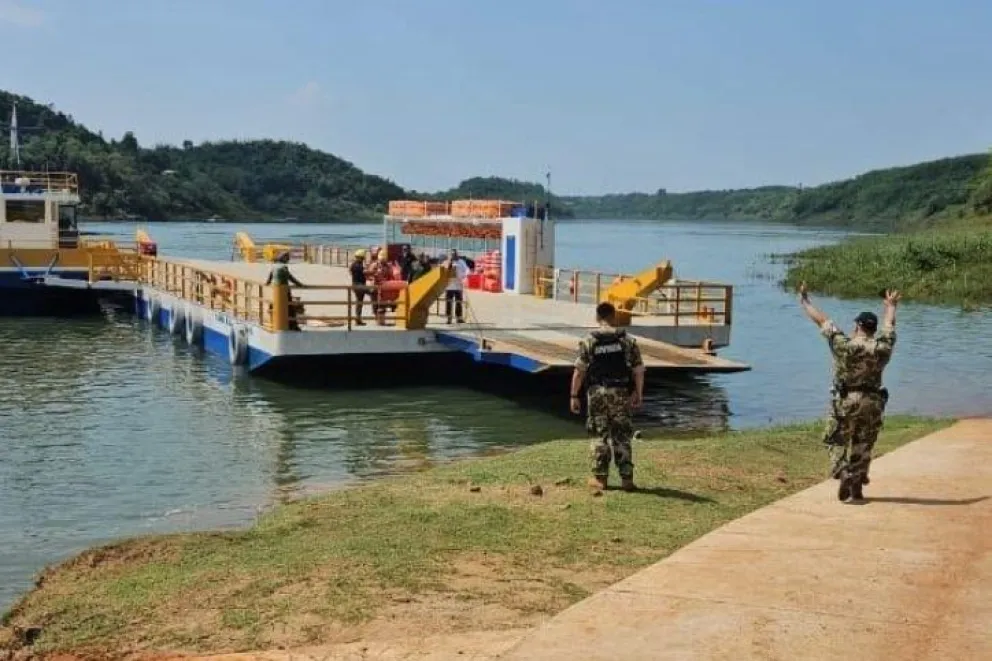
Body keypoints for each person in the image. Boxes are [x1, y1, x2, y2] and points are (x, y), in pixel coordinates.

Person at [798, 282, 900, 502]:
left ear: (857, 327)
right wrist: (891, 305)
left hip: (847, 399)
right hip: (873, 401)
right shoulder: (884, 348)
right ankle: (857, 485)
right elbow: (890, 325)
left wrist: (806, 301)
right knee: (864, 444)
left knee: (834, 440)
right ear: (873, 329)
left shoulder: (845, 346)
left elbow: (823, 321)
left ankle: (843, 472)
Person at [570, 301, 646, 492]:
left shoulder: (589, 341)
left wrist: (574, 395)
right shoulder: (627, 341)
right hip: (621, 393)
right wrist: (638, 392)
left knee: (599, 434)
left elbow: (579, 372)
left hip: (597, 393)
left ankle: (600, 479)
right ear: (614, 317)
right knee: (622, 435)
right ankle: (627, 479)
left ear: (597, 317)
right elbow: (638, 370)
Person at [264, 251, 304, 330]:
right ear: (284, 258)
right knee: (290, 308)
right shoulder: (283, 267)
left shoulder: (275, 266)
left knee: (279, 307)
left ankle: (279, 323)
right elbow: (290, 278)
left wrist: (267, 283)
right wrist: (300, 285)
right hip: (284, 289)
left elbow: (270, 277)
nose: (288, 260)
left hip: (276, 290)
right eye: (287, 258)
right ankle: (293, 326)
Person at [444, 248, 469, 324]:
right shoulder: (447, 262)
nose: (453, 256)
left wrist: (463, 277)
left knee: (458, 302)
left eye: (454, 254)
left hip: (458, 286)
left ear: (457, 254)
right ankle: (449, 318)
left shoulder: (461, 262)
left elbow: (467, 270)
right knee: (449, 302)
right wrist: (449, 264)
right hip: (449, 286)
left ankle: (459, 318)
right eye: (452, 254)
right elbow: (443, 271)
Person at [349, 249, 371, 326]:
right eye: (362, 258)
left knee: (359, 303)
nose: (363, 259)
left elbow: (352, 272)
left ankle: (358, 320)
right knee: (373, 292)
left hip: (356, 285)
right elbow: (365, 272)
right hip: (359, 285)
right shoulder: (358, 265)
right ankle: (377, 310)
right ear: (360, 257)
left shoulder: (354, 264)